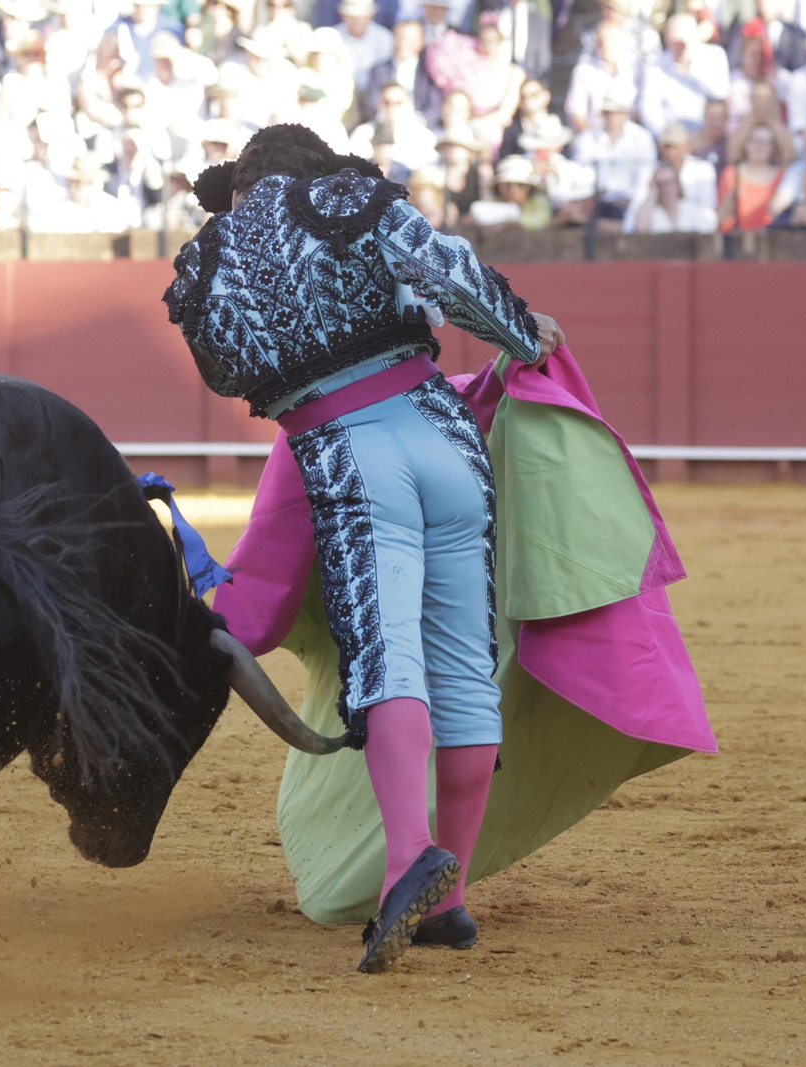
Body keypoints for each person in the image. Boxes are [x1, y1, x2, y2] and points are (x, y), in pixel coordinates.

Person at [164, 122, 564, 973]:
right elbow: (451, 274)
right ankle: (449, 903)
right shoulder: (352, 198)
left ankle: (404, 861)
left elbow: (225, 372)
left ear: (242, 185)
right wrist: (524, 336)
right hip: (444, 436)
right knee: (462, 658)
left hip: (348, 452)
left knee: (388, 656)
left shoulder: (210, 254)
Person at [571, 84, 656, 227]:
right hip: (595, 204)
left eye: (618, 112)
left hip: (628, 205)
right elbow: (580, 178)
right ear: (602, 113)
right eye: (609, 112)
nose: (613, 116)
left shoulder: (642, 138)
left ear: (626, 113)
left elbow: (644, 181)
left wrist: (630, 206)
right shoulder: (586, 139)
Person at [719, 122, 786, 231]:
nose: (759, 147)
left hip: (770, 241)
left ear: (773, 148)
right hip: (737, 240)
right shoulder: (731, 174)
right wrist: (732, 198)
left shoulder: (783, 176)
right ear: (745, 144)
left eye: (765, 142)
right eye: (754, 141)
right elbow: (721, 219)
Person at [628, 161, 718, 231]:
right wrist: (652, 194)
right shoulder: (651, 212)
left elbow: (711, 225)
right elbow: (640, 229)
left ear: (678, 184)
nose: (665, 189)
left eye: (669, 183)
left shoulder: (692, 210)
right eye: (660, 184)